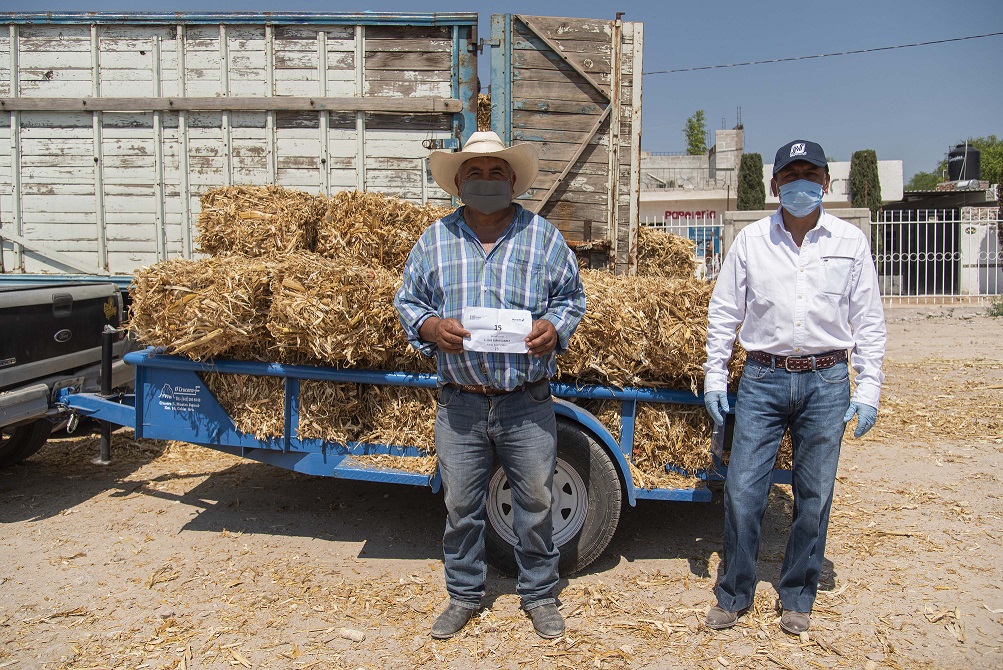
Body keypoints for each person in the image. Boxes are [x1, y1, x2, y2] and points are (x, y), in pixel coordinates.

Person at [394, 131, 586, 640]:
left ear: (512, 180)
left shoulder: (542, 236)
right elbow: (408, 302)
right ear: (457, 183)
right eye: (474, 173)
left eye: (495, 172)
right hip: (460, 404)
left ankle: (540, 595)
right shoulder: (434, 239)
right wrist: (431, 329)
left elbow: (571, 298)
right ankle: (463, 595)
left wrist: (555, 328)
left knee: (537, 503)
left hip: (526, 402)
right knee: (461, 506)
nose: (485, 181)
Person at [701, 140, 886, 635]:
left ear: (827, 183)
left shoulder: (849, 242)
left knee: (815, 494)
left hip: (827, 381)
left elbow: (868, 322)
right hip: (762, 377)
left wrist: (868, 390)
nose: (800, 183)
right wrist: (715, 376)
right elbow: (724, 314)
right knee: (742, 490)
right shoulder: (752, 241)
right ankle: (734, 592)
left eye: (811, 174)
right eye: (791, 175)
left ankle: (798, 595)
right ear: (774, 185)